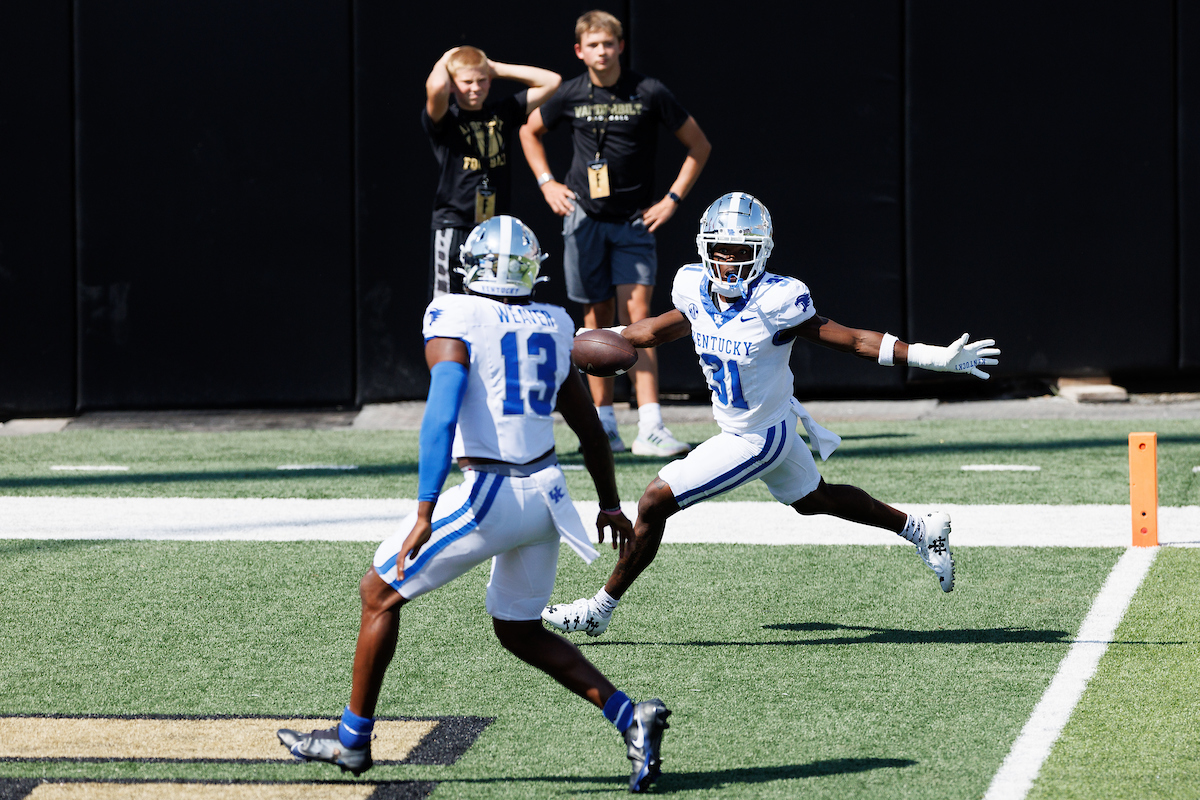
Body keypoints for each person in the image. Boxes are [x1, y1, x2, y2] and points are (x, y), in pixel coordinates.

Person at [278, 215, 670, 793]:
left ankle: (353, 739)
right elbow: (588, 425)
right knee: (517, 628)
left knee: (377, 593)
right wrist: (611, 503)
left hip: (494, 492)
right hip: (548, 496)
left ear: (473, 266)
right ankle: (628, 715)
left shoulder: (453, 313)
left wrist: (423, 511)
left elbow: (440, 416)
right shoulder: (556, 322)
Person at [542, 192, 1001, 637]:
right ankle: (922, 529)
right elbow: (655, 330)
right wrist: (590, 335)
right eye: (720, 251)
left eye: (741, 251)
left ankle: (598, 609)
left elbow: (854, 340)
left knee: (653, 501)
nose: (728, 262)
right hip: (764, 425)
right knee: (815, 500)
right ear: (705, 249)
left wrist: (932, 357)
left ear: (761, 253)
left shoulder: (778, 301)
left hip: (758, 437)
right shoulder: (693, 288)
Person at [519, 10, 711, 457]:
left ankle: (651, 425)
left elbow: (699, 146)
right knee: (595, 321)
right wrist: (547, 182)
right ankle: (603, 425)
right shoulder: (569, 92)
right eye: (593, 45)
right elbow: (530, 132)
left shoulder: (649, 91)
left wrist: (672, 200)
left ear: (620, 46)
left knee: (640, 317)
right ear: (579, 51)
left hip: (633, 222)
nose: (601, 52)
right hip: (584, 220)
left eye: (609, 44)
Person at [424, 47, 560, 300]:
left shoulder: (502, 111)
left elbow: (551, 82)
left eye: (481, 80)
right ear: (453, 84)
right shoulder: (446, 118)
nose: (475, 87)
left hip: (494, 228)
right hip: (454, 223)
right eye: (466, 82)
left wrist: (494, 68)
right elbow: (435, 89)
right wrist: (446, 60)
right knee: (446, 302)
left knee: (493, 301)